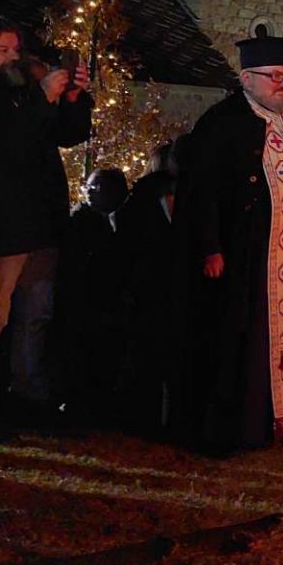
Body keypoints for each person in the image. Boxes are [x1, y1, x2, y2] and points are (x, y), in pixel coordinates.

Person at [170, 34, 283, 452]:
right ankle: (254, 421)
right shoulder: (223, 123)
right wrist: (210, 246)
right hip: (252, 257)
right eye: (275, 77)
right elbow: (201, 191)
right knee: (249, 341)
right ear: (246, 78)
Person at [0, 16, 93, 443]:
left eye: (16, 49)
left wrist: (72, 97)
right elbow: (2, 147)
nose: (14, 57)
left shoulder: (21, 93)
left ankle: (29, 396)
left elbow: (67, 135)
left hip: (40, 224)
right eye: (3, 50)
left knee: (35, 317)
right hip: (0, 228)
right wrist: (41, 97)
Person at [55, 166, 130, 421]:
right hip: (85, 301)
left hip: (100, 301)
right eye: (90, 185)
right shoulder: (82, 223)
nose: (91, 190)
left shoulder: (116, 223)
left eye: (98, 186)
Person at [114, 141, 178, 434]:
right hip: (161, 281)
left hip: (141, 282)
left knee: (144, 352)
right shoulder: (166, 194)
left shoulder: (137, 196)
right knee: (159, 352)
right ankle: (157, 418)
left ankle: (141, 415)